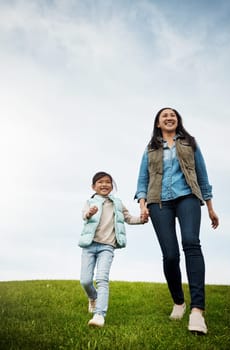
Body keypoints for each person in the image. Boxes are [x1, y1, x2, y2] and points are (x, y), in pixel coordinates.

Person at [135, 107, 219, 334]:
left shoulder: (190, 142)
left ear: (178, 120)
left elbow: (202, 175)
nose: (169, 118)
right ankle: (179, 302)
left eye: (173, 115)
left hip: (188, 197)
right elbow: (143, 179)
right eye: (165, 116)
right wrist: (142, 205)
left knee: (191, 243)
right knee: (170, 255)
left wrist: (210, 207)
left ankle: (197, 311)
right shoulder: (150, 148)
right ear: (158, 124)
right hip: (158, 202)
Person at [79, 171, 148, 327]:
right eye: (100, 182)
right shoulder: (90, 202)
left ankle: (99, 315)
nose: (104, 184)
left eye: (108, 182)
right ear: (93, 186)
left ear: (112, 185)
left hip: (107, 247)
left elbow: (128, 218)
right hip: (89, 246)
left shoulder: (117, 203)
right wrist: (89, 213)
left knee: (102, 279)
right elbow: (84, 215)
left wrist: (141, 220)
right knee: (85, 280)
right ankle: (93, 297)